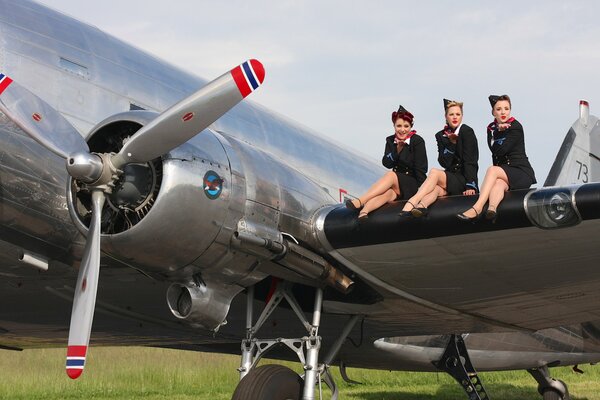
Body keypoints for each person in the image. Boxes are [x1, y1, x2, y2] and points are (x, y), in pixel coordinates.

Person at [457, 95, 536, 221]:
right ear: (493, 112)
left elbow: (501, 151)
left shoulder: (515, 127)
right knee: (498, 184)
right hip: (505, 173)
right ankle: (492, 210)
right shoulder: (491, 129)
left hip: (521, 172)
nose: (503, 112)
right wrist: (496, 131)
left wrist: (500, 132)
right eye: (498, 109)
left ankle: (477, 207)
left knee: (492, 170)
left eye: (506, 108)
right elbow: (494, 151)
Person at [399, 99, 479, 217]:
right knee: (436, 188)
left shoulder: (467, 131)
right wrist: (451, 145)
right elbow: (444, 162)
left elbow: (471, 160)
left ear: (462, 116)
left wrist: (470, 184)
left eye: (458, 114)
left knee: (434, 172)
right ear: (446, 116)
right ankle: (422, 207)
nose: (455, 117)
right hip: (450, 178)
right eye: (451, 114)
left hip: (464, 179)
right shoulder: (440, 135)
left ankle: (412, 202)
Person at [346, 105, 427, 220]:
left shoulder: (417, 141)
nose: (402, 129)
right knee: (387, 194)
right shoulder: (390, 140)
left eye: (406, 126)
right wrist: (397, 151)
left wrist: (421, 193)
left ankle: (361, 200)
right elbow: (387, 163)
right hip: (396, 185)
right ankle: (364, 212)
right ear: (394, 125)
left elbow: (421, 168)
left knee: (390, 175)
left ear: (411, 126)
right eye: (399, 126)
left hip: (412, 184)